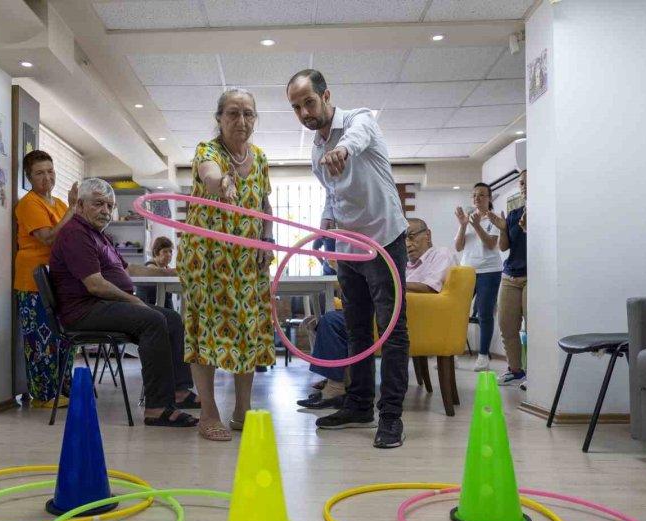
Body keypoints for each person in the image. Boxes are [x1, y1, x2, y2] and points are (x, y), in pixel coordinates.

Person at [287, 69, 409, 449]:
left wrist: (343, 149)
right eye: (296, 107)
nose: (305, 112)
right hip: (349, 246)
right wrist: (325, 227)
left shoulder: (360, 120)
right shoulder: (315, 151)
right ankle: (359, 405)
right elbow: (332, 193)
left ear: (326, 95)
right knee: (356, 329)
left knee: (391, 331)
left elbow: (355, 141)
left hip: (384, 240)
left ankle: (391, 417)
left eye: (308, 101)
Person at [49, 178, 198, 427]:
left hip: (101, 305)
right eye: (98, 204)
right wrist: (133, 300)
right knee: (153, 320)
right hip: (85, 310)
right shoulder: (75, 234)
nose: (105, 211)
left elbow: (128, 269)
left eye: (109, 206)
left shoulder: (99, 236)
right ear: (80, 204)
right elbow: (94, 284)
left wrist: (167, 273)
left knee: (171, 319)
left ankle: (179, 392)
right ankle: (156, 408)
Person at [177, 88, 275, 441]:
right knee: (206, 332)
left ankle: (242, 410)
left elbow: (265, 205)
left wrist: (267, 238)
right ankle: (208, 413)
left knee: (247, 331)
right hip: (208, 261)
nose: (242, 121)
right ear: (219, 118)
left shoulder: (260, 158)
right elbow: (210, 176)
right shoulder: (208, 151)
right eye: (233, 113)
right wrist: (223, 183)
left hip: (247, 261)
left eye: (248, 113)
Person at [297, 218, 456, 410]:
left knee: (332, 321)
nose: (407, 244)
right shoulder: (405, 264)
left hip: (409, 319)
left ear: (428, 235)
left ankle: (335, 385)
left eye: (412, 237)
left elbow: (430, 288)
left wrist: (387, 285)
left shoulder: (440, 254)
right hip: (389, 310)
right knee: (319, 321)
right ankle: (339, 379)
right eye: (404, 238)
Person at [14, 150, 76, 409]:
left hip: (59, 279)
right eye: (39, 173)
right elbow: (48, 237)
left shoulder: (59, 204)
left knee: (64, 337)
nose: (46, 177)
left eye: (50, 171)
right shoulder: (29, 203)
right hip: (34, 281)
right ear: (29, 177)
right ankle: (43, 395)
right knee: (41, 338)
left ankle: (63, 388)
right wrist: (74, 209)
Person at [454, 182, 502, 372]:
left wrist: (477, 226)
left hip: (489, 271)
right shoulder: (468, 219)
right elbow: (458, 247)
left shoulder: (494, 219)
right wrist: (463, 225)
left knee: (484, 313)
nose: (477, 198)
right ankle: (453, 353)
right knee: (458, 313)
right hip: (467, 271)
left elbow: (491, 244)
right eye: (474, 195)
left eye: (482, 195)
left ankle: (483, 357)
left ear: (489, 198)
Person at [489, 170, 528, 386]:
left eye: (528, 183)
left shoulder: (546, 211)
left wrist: (528, 228)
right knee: (506, 326)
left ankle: (536, 374)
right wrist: (503, 229)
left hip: (533, 276)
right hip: (510, 275)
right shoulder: (515, 214)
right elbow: (504, 246)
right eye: (521, 183)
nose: (524, 186)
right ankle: (515, 371)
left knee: (534, 327)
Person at [134, 236, 177, 308]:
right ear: (156, 252)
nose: (169, 254)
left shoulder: (166, 268)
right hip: (147, 306)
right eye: (165, 251)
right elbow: (162, 273)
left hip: (162, 304)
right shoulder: (150, 266)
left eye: (170, 251)